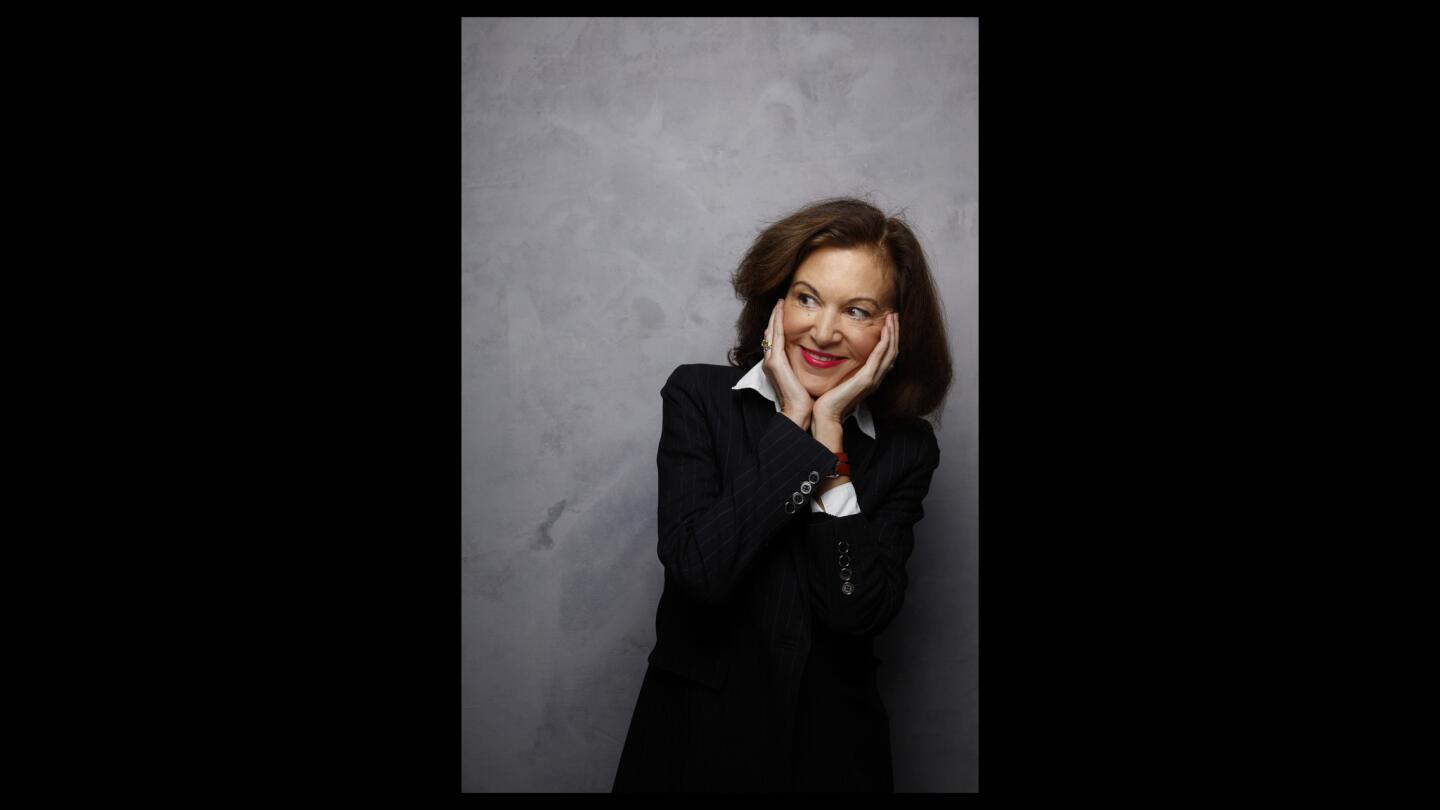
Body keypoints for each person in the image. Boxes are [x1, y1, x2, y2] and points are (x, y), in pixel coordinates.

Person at [612, 197, 953, 793]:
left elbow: (857, 613)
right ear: (777, 301)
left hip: (832, 755)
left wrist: (833, 444)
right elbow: (699, 570)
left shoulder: (907, 450)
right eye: (807, 298)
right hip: (692, 745)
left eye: (858, 310)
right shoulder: (699, 397)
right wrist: (796, 421)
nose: (823, 331)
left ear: (894, 330)